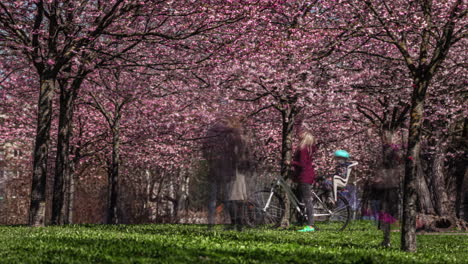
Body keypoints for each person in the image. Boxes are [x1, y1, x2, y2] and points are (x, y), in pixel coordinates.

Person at [202, 116, 252, 231]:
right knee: (235, 198)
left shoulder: (233, 138)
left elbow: (237, 154)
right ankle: (237, 223)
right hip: (234, 171)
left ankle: (236, 223)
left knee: (232, 198)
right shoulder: (237, 137)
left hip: (233, 171)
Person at [290, 130, 318, 232]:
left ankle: (310, 225)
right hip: (307, 175)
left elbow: (302, 164)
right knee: (303, 199)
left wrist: (291, 162)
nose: (299, 134)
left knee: (307, 200)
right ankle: (302, 221)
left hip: (304, 176)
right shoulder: (309, 148)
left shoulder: (303, 149)